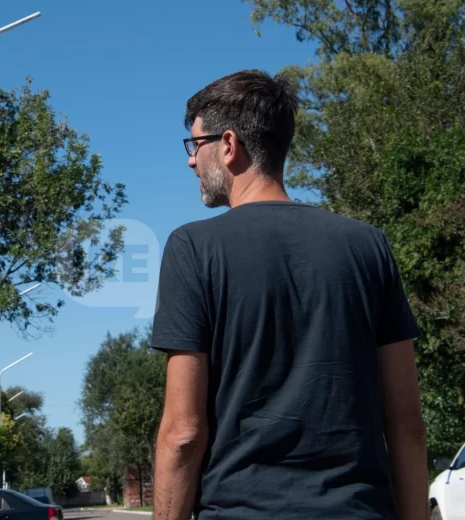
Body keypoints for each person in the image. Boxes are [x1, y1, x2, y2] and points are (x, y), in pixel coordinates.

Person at [152, 70, 428, 520]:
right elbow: (407, 424)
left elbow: (183, 432)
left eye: (194, 145)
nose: (190, 162)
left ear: (228, 145)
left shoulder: (193, 249)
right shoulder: (368, 245)